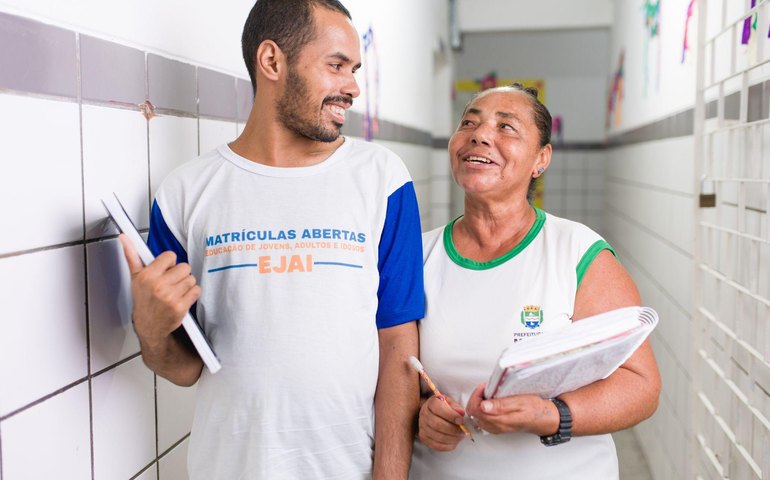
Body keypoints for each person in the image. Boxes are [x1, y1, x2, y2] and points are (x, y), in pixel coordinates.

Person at [119, 1, 424, 478]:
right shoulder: (185, 193)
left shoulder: (382, 180)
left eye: (354, 69)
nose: (352, 87)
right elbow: (184, 368)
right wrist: (151, 327)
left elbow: (399, 347)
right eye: (336, 66)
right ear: (272, 61)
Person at [410, 84, 661, 479]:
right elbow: (394, 375)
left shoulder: (577, 253)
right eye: (468, 123)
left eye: (506, 127)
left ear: (541, 159)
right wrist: (420, 416)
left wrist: (552, 415)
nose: (480, 134)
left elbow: (640, 386)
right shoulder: (417, 257)